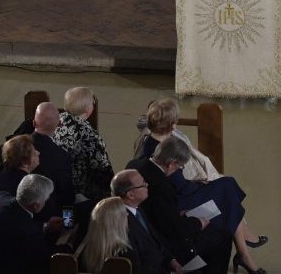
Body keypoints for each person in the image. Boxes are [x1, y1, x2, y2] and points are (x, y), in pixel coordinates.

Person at [137, 99, 267, 273]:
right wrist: (201, 185)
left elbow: (176, 179)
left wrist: (199, 183)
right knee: (226, 188)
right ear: (172, 124)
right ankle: (243, 250)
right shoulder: (162, 148)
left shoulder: (153, 142)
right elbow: (177, 185)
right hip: (178, 203)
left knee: (226, 187)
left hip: (180, 193)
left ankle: (243, 251)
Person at [127, 137, 232, 274]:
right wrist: (198, 223)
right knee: (222, 237)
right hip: (163, 245)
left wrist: (177, 214)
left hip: (148, 231)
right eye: (180, 167)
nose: (179, 170)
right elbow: (174, 231)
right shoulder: (162, 185)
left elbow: (159, 213)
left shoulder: (134, 165)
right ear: (171, 164)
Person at [111, 169, 182, 274]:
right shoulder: (122, 225)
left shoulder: (137, 208)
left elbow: (155, 239)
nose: (147, 185)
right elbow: (139, 267)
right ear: (131, 195)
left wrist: (171, 260)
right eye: (143, 184)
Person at [52, 87, 114, 201]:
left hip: (57, 189)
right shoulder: (88, 134)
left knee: (67, 217)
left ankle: (67, 220)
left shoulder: (57, 121)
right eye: (92, 102)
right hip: (81, 194)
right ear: (87, 108)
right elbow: (101, 167)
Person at [0, 174, 55, 274]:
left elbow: (18, 223)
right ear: (36, 205)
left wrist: (45, 227)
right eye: (45, 200)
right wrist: (68, 244)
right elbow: (44, 257)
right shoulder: (29, 235)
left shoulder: (0, 198)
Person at [31, 102, 75, 215]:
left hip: (21, 216)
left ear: (33, 122)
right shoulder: (61, 156)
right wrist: (67, 223)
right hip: (51, 219)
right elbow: (67, 196)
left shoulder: (19, 147)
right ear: (59, 124)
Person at [78, 197, 141, 273]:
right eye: (125, 214)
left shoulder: (84, 251)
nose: (127, 216)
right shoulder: (126, 254)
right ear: (118, 221)